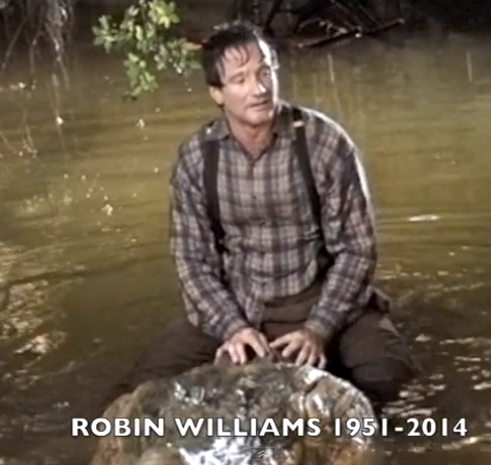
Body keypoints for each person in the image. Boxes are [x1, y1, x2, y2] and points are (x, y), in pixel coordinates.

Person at [104, 20, 418, 413]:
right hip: (238, 304)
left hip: (319, 300)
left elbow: (357, 250)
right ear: (217, 93)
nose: (260, 88)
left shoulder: (324, 143)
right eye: (241, 79)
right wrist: (232, 328)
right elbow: (192, 261)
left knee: (392, 380)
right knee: (138, 392)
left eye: (265, 72)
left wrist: (319, 329)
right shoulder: (197, 159)